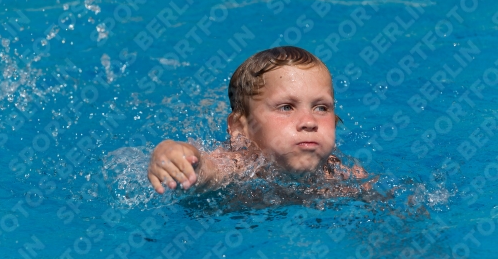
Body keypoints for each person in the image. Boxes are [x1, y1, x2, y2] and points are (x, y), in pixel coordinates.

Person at [147, 46, 369, 195]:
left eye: (321, 107)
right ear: (240, 128)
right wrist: (177, 156)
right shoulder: (238, 166)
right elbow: (206, 171)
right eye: (286, 107)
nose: (309, 121)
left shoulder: (342, 175)